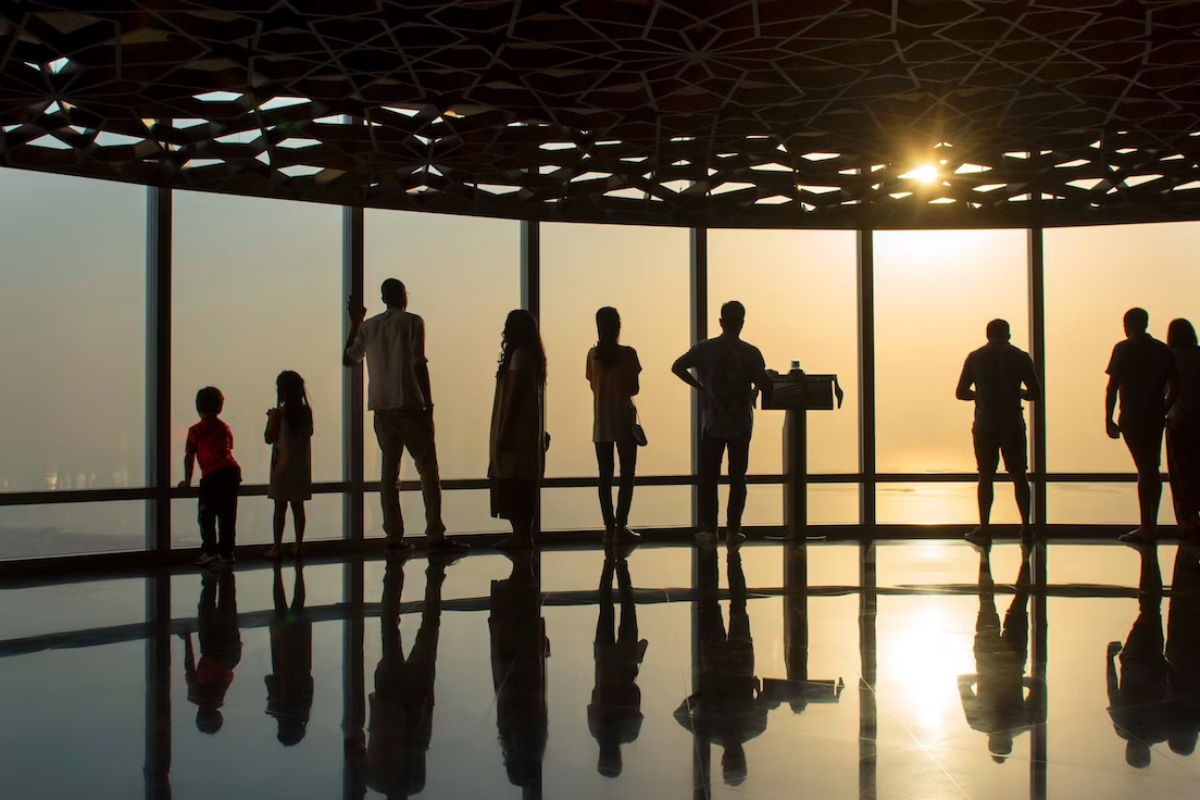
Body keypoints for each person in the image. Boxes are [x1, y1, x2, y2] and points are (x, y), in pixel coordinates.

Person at [344, 278, 466, 553]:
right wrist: (429, 404)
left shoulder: (369, 326)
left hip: (381, 407)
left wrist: (355, 322)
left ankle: (394, 536)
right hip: (409, 405)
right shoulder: (413, 322)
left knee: (389, 472)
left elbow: (349, 358)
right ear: (403, 296)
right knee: (427, 469)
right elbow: (418, 363)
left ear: (383, 298)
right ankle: (435, 533)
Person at [672, 300, 767, 547]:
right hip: (740, 423)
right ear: (742, 323)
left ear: (721, 322)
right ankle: (734, 530)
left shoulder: (704, 349)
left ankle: (709, 530)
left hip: (713, 423)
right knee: (738, 477)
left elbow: (677, 367)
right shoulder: (752, 353)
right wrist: (756, 388)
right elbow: (764, 383)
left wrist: (701, 388)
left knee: (708, 478)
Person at [674, 548, 769, 788]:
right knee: (712, 606)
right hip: (715, 664)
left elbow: (764, 700)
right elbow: (680, 715)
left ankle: (731, 556)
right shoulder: (710, 733)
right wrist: (697, 698)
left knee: (738, 606)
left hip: (741, 664)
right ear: (725, 761)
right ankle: (711, 555)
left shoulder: (756, 728)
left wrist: (756, 691)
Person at [365, 555, 449, 797]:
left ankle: (433, 579)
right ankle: (393, 576)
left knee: (429, 627)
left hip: (414, 698)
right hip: (389, 698)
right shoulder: (375, 779)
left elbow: (420, 740)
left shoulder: (415, 784)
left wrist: (427, 699)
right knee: (390, 627)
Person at [955, 319, 1041, 546]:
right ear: (1009, 334)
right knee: (1019, 475)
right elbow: (1035, 393)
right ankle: (1026, 527)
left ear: (987, 335)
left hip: (985, 423)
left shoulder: (975, 357)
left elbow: (961, 392)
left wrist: (981, 396)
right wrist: (1018, 393)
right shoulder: (1020, 357)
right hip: (1012, 422)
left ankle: (984, 527)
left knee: (985, 476)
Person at [957, 547, 1044, 762]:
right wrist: (989, 678)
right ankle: (988, 558)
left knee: (1017, 603)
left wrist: (1013, 679)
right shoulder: (979, 722)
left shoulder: (1020, 723)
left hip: (1012, 660)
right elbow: (963, 683)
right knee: (987, 602)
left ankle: (1024, 557)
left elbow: (1038, 686)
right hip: (988, 657)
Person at [1105, 307, 1175, 545]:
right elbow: (1175, 387)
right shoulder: (1162, 350)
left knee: (1145, 468)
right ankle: (1150, 524)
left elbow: (1112, 387)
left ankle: (1147, 526)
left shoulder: (1123, 349)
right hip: (1153, 415)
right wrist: (1162, 409)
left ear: (1128, 325)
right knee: (1151, 466)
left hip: (1132, 416)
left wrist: (1108, 418)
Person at [489, 551, 549, 789]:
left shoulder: (533, 739)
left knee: (521, 609)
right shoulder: (517, 739)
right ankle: (521, 559)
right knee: (515, 613)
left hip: (522, 664)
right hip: (515, 664)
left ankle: (522, 562)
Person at [489, 309, 548, 551]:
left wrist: (503, 432)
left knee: (512, 481)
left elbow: (512, 399)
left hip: (515, 431)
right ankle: (524, 534)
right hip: (527, 432)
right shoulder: (533, 359)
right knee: (525, 483)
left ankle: (520, 534)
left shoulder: (518, 358)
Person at [1106, 546, 1170, 767]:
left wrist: (1167, 668)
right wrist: (1109, 659)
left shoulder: (1159, 731)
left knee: (1152, 611)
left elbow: (1170, 695)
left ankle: (1150, 559)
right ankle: (1149, 559)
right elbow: (1112, 688)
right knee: (1149, 610)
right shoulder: (1122, 726)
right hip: (1134, 659)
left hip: (1150, 660)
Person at [588, 553, 648, 777]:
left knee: (627, 608)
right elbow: (596, 693)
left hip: (626, 662)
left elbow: (635, 694)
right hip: (605, 662)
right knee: (606, 608)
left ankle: (619, 565)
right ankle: (610, 564)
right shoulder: (596, 729)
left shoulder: (630, 733)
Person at [587, 307, 642, 543]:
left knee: (605, 476)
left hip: (601, 421)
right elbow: (634, 389)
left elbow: (592, 383)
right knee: (626, 474)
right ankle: (622, 527)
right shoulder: (629, 354)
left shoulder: (592, 355)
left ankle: (609, 529)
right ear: (618, 327)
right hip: (623, 419)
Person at [180, 386, 242, 566]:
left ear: (198, 407)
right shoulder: (224, 427)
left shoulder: (195, 431)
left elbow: (189, 457)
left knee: (206, 515)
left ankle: (209, 550)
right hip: (231, 472)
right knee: (227, 516)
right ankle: (227, 552)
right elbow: (229, 448)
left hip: (211, 475)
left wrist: (187, 481)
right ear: (220, 407)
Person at [182, 569, 241, 734]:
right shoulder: (197, 696)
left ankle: (226, 573)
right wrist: (187, 638)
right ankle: (210, 576)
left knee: (228, 605)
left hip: (232, 655)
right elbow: (189, 666)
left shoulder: (220, 697)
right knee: (206, 608)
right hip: (212, 650)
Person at [264, 370, 313, 559]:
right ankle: (298, 545)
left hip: (281, 470)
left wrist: (270, 418)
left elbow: (269, 437)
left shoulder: (279, 414)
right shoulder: (306, 413)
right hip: (300, 469)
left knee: (280, 509)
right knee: (298, 508)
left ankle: (277, 546)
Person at [264, 562, 313, 745]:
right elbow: (269, 680)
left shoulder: (304, 706)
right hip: (281, 650)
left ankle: (298, 572)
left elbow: (310, 681)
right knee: (281, 607)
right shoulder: (278, 707)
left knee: (297, 606)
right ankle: (278, 573)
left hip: (300, 653)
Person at [1165, 319, 1200, 537]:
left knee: (1181, 473)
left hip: (1178, 421)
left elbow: (1168, 389)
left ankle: (1189, 522)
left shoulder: (1170, 358)